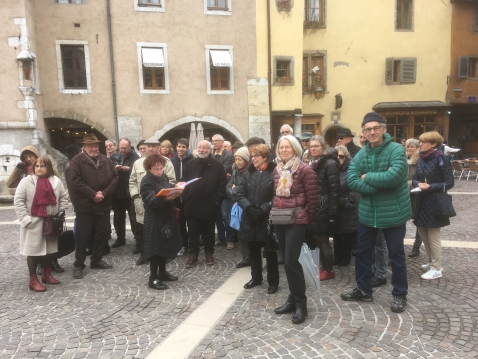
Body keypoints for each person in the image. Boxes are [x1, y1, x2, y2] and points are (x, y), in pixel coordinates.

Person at [341, 112, 411, 313]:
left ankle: (399, 293)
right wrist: (375, 186)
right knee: (363, 253)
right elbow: (352, 180)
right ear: (363, 132)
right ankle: (364, 289)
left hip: (393, 213)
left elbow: (395, 177)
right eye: (368, 129)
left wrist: (367, 177)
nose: (372, 132)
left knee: (396, 255)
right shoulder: (361, 154)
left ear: (384, 129)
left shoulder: (396, 150)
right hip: (367, 213)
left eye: (376, 128)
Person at [272, 135, 318, 324]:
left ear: (295, 149)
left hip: (297, 219)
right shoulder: (277, 170)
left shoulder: (305, 169)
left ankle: (301, 303)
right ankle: (293, 298)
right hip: (280, 218)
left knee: (291, 261)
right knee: (287, 261)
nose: (284, 150)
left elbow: (313, 199)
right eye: (281, 147)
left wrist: (305, 218)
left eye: (287, 147)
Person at [14, 156, 68, 292]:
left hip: (51, 222)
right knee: (32, 251)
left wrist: (60, 211)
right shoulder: (26, 181)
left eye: (42, 166)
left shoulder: (56, 181)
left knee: (48, 250)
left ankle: (47, 274)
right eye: (37, 166)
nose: (39, 168)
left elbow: (63, 197)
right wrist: (26, 220)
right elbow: (18, 201)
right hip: (33, 223)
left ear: (48, 167)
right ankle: (33, 280)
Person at [69, 134, 119, 279]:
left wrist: (103, 193)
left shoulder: (105, 160)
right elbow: (75, 181)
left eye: (96, 145)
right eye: (90, 145)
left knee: (104, 233)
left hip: (103, 203)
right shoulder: (77, 161)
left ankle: (96, 260)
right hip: (85, 205)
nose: (94, 148)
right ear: (84, 147)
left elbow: (115, 178)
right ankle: (78, 264)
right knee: (83, 236)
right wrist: (93, 195)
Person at [412, 131, 454, 280]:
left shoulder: (441, 158)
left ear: (434, 144)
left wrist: (429, 186)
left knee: (433, 236)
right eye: (420, 141)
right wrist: (418, 184)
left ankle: (436, 268)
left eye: (424, 142)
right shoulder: (422, 158)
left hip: (435, 202)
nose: (420, 144)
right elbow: (415, 178)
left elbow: (449, 183)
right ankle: (432, 262)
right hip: (422, 201)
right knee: (423, 233)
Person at [237, 144, 279, 294]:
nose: (253, 159)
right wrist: (249, 208)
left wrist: (263, 208)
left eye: (256, 156)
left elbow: (276, 194)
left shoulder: (274, 172)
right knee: (253, 250)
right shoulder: (247, 173)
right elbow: (240, 194)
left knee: (270, 251)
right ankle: (256, 277)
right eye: (252, 156)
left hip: (267, 218)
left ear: (265, 157)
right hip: (250, 217)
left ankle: (273, 281)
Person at [129, 136, 176, 265]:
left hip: (160, 203)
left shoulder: (166, 162)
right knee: (144, 229)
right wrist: (135, 196)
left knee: (160, 232)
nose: (150, 148)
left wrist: (168, 193)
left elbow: (170, 181)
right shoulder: (138, 163)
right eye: (148, 146)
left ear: (158, 148)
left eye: (154, 146)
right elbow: (132, 181)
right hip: (142, 202)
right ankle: (145, 254)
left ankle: (162, 256)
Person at [181, 140, 228, 268]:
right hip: (191, 205)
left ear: (210, 150)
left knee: (209, 233)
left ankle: (209, 253)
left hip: (210, 205)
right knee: (193, 233)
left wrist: (216, 200)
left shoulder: (218, 166)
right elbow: (183, 182)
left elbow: (223, 185)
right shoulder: (190, 165)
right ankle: (193, 256)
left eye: (204, 148)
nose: (201, 150)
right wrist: (185, 197)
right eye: (199, 147)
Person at [141, 154, 182, 290]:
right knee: (155, 249)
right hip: (154, 219)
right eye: (156, 169)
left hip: (166, 218)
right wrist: (167, 198)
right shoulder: (146, 181)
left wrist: (177, 187)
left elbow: (168, 187)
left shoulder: (162, 177)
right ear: (149, 169)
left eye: (160, 168)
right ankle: (153, 278)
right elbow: (151, 200)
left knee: (164, 245)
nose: (159, 171)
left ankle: (162, 272)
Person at [307, 135, 340, 281]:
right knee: (317, 239)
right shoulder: (314, 162)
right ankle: (323, 266)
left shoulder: (330, 163)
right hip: (316, 206)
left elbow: (335, 190)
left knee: (323, 240)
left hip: (324, 207)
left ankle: (328, 269)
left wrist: (333, 213)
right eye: (311, 146)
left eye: (316, 146)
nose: (313, 148)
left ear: (323, 147)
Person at [110, 138, 140, 248]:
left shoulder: (135, 157)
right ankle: (120, 238)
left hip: (130, 192)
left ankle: (138, 240)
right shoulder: (113, 157)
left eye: (125, 148)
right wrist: (115, 169)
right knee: (118, 217)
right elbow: (108, 172)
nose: (122, 150)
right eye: (121, 148)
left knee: (133, 217)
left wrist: (130, 169)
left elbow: (138, 172)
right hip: (117, 192)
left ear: (130, 146)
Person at [333, 145, 358, 267]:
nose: (338, 158)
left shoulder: (351, 168)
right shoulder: (333, 168)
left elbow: (354, 189)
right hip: (336, 207)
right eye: (336, 156)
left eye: (341, 156)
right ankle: (337, 256)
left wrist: (346, 202)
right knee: (337, 233)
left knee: (348, 234)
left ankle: (345, 256)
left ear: (346, 156)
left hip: (348, 208)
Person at [227, 147, 251, 268]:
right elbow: (228, 187)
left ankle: (253, 256)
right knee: (241, 232)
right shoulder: (235, 171)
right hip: (238, 204)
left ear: (246, 160)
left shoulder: (250, 171)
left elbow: (246, 190)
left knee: (249, 232)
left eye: (240, 159)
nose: (237, 162)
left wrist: (235, 190)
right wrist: (235, 192)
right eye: (236, 159)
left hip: (248, 205)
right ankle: (245, 257)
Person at [171, 138, 194, 256]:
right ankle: (183, 244)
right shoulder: (171, 160)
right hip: (175, 196)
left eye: (183, 147)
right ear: (176, 147)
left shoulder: (192, 161)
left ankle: (193, 245)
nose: (181, 149)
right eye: (179, 146)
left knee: (191, 223)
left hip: (189, 197)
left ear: (187, 148)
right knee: (179, 223)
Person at [212, 134, 235, 248]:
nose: (214, 143)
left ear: (222, 142)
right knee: (217, 217)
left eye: (217, 141)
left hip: (225, 191)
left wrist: (213, 171)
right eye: (213, 141)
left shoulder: (229, 156)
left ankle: (230, 239)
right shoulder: (212, 155)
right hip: (214, 191)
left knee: (226, 216)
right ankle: (221, 238)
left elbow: (223, 169)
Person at [405, 138, 422, 258]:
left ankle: (416, 246)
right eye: (408, 146)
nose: (409, 149)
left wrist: (409, 184)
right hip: (404, 195)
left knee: (419, 222)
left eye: (412, 147)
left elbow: (422, 179)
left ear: (417, 148)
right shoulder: (403, 160)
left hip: (417, 195)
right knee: (401, 221)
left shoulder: (420, 161)